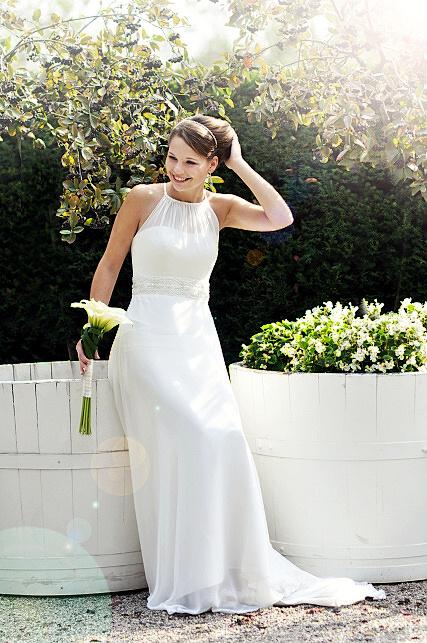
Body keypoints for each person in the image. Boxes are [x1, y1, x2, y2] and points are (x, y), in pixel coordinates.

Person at [76, 114, 386, 614]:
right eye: (172, 157)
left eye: (190, 162)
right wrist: (95, 324)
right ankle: (186, 577)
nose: (177, 169)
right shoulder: (141, 199)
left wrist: (240, 162)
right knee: (192, 437)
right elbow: (110, 264)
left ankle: (219, 571)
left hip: (197, 343)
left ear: (211, 165)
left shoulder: (221, 209)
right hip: (146, 338)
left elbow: (279, 217)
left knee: (223, 441)